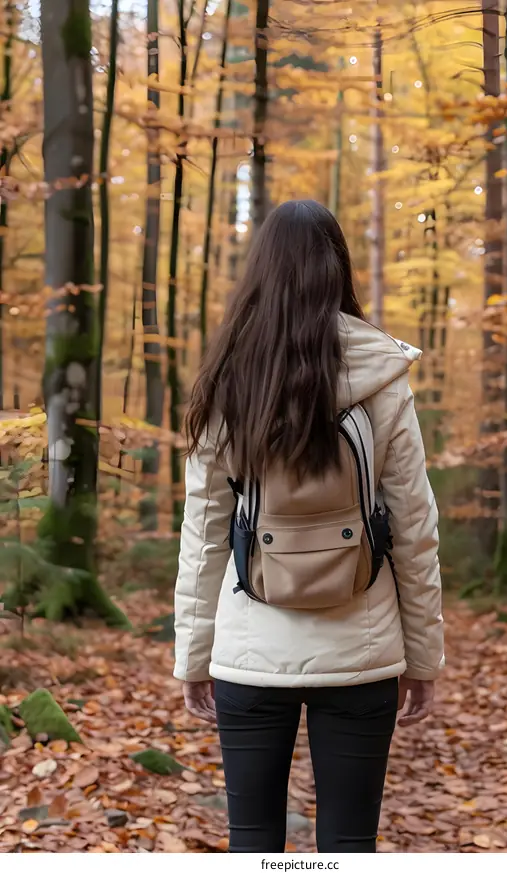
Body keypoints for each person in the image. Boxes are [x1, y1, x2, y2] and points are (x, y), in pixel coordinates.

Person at [174, 199, 444, 854]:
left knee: (254, 843)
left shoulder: (231, 376)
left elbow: (206, 527)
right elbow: (413, 522)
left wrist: (194, 653)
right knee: (350, 846)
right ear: (337, 270)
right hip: (363, 651)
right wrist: (424, 656)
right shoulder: (382, 371)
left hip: (249, 650)